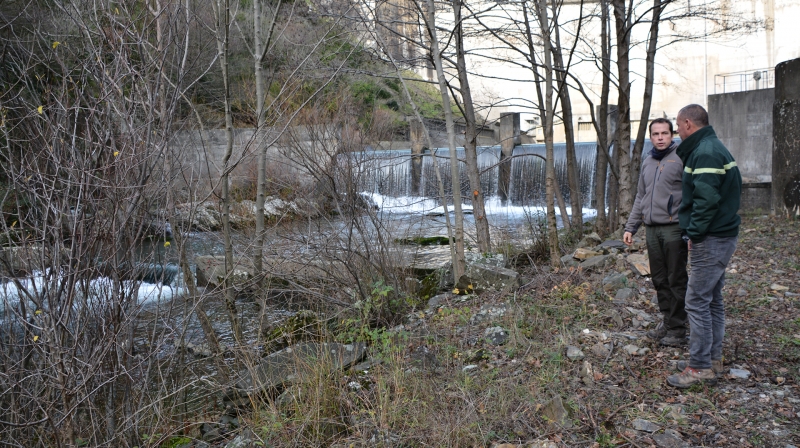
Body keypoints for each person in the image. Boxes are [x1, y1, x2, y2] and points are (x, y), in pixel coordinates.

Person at [666, 104, 741, 389]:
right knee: (712, 300)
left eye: (677, 125)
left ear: (687, 123)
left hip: (711, 238)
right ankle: (712, 358)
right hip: (720, 235)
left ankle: (699, 368)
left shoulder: (706, 152)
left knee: (696, 301)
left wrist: (693, 234)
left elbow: (706, 199)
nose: (676, 131)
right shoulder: (711, 146)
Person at [623, 118, 688, 347]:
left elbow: (693, 194)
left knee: (676, 278)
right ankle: (668, 321)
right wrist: (631, 227)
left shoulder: (682, 157)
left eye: (665, 133)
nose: (660, 138)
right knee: (660, 279)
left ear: (672, 135)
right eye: (656, 134)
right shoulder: (648, 161)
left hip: (674, 227)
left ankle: (678, 329)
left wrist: (691, 230)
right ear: (651, 137)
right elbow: (641, 196)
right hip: (651, 229)